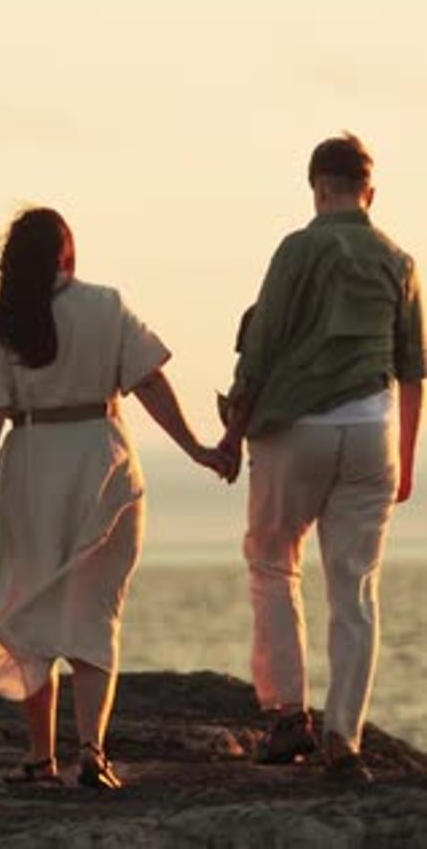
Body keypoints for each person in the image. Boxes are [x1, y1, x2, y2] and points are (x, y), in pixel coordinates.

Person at [0, 207, 226, 790]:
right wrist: (195, 447)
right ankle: (93, 752)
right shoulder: (107, 305)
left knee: (32, 613)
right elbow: (149, 382)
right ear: (68, 252)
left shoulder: (2, 325)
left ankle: (42, 758)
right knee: (95, 613)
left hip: (33, 468)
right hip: (102, 464)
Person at [220, 134, 425, 783]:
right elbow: (414, 370)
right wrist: (408, 457)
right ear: (370, 190)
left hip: (297, 429)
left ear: (317, 186)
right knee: (355, 587)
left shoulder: (298, 249)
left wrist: (233, 431)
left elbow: (263, 346)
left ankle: (288, 719)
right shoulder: (399, 260)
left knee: (274, 561)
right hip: (373, 433)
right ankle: (344, 736)